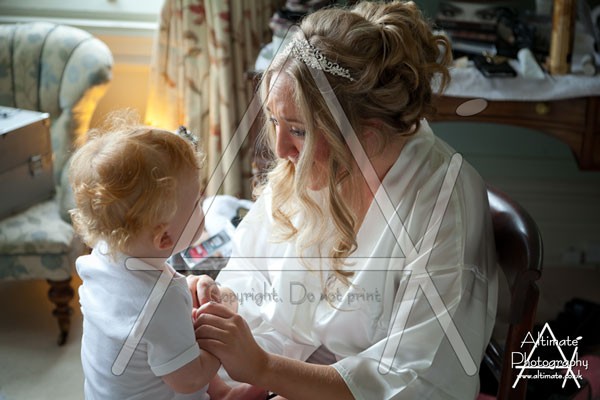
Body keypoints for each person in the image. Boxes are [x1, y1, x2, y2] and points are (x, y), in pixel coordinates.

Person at [192, 1, 498, 399]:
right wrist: (221, 304)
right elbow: (257, 275)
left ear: (366, 130)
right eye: (274, 120)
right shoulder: (316, 169)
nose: (280, 149)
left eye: (299, 130)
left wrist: (264, 369)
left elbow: (418, 380)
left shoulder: (442, 206)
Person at [69, 114, 266, 400]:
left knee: (172, 343)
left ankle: (222, 393)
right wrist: (219, 341)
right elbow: (190, 378)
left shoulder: (99, 257)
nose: (203, 207)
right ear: (164, 239)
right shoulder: (162, 301)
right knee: (187, 355)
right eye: (197, 203)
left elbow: (139, 319)